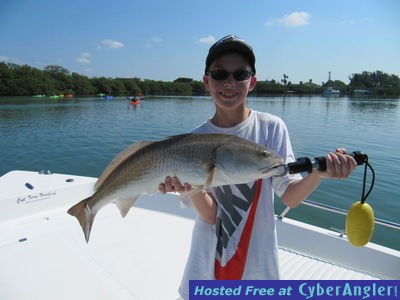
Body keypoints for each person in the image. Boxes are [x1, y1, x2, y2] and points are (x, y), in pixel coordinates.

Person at [158, 35, 357, 299]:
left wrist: (317, 174)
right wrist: (190, 188)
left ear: (252, 82)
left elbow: (289, 195)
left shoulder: (271, 128)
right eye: (219, 74)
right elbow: (209, 216)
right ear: (207, 82)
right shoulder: (194, 139)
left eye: (240, 74)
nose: (230, 82)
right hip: (206, 264)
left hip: (258, 267)